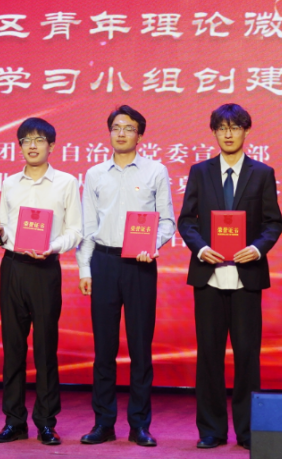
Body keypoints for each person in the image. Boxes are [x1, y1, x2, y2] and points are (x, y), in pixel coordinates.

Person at [177, 103, 282, 451]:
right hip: (208, 275)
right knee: (209, 355)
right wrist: (200, 247)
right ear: (214, 132)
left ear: (246, 131)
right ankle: (211, 429)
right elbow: (186, 220)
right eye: (221, 128)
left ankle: (249, 430)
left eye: (235, 127)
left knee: (247, 356)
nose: (228, 134)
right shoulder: (200, 171)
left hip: (246, 276)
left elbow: (273, 222)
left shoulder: (262, 173)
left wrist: (257, 248)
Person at [77, 105, 175, 447]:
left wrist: (153, 245)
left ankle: (139, 424)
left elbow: (167, 221)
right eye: (116, 127)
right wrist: (85, 268)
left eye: (128, 128)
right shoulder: (94, 174)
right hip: (104, 262)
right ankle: (103, 423)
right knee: (103, 348)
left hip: (140, 265)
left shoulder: (155, 171)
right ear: (109, 132)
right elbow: (88, 226)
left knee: (140, 348)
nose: (121, 133)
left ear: (140, 135)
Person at [0, 118, 82, 446]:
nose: (32, 145)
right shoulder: (10, 183)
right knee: (12, 348)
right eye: (26, 140)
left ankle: (46, 422)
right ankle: (13, 421)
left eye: (39, 140)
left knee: (45, 348)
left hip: (45, 269)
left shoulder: (66, 182)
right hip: (12, 267)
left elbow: (75, 230)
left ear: (51, 146)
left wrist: (52, 247)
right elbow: (2, 229)